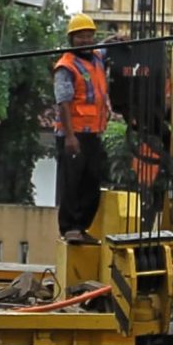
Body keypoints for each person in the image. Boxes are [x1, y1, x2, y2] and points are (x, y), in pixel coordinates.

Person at [53, 15, 111, 244]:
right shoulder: (65, 67)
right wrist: (69, 137)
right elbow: (63, 102)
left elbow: (107, 49)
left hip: (93, 133)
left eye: (89, 36)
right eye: (80, 37)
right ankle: (69, 228)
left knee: (92, 181)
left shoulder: (96, 58)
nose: (86, 40)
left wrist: (118, 38)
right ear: (71, 39)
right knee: (72, 182)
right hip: (73, 134)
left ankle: (82, 227)